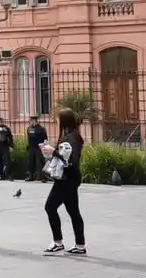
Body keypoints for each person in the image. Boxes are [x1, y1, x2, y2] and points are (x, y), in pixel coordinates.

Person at [39, 108, 86, 255]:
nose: (57, 121)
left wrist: (53, 151)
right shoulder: (73, 136)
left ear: (64, 120)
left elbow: (69, 159)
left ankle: (58, 242)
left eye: (58, 118)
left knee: (50, 207)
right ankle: (80, 245)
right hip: (70, 178)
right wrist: (53, 152)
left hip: (66, 179)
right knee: (73, 211)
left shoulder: (71, 138)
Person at [25, 115, 48, 182]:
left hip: (39, 148)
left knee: (40, 163)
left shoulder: (41, 128)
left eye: (31, 120)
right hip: (31, 147)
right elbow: (29, 138)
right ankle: (31, 176)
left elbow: (45, 139)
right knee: (31, 162)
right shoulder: (29, 128)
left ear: (34, 120)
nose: (30, 121)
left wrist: (44, 147)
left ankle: (43, 177)